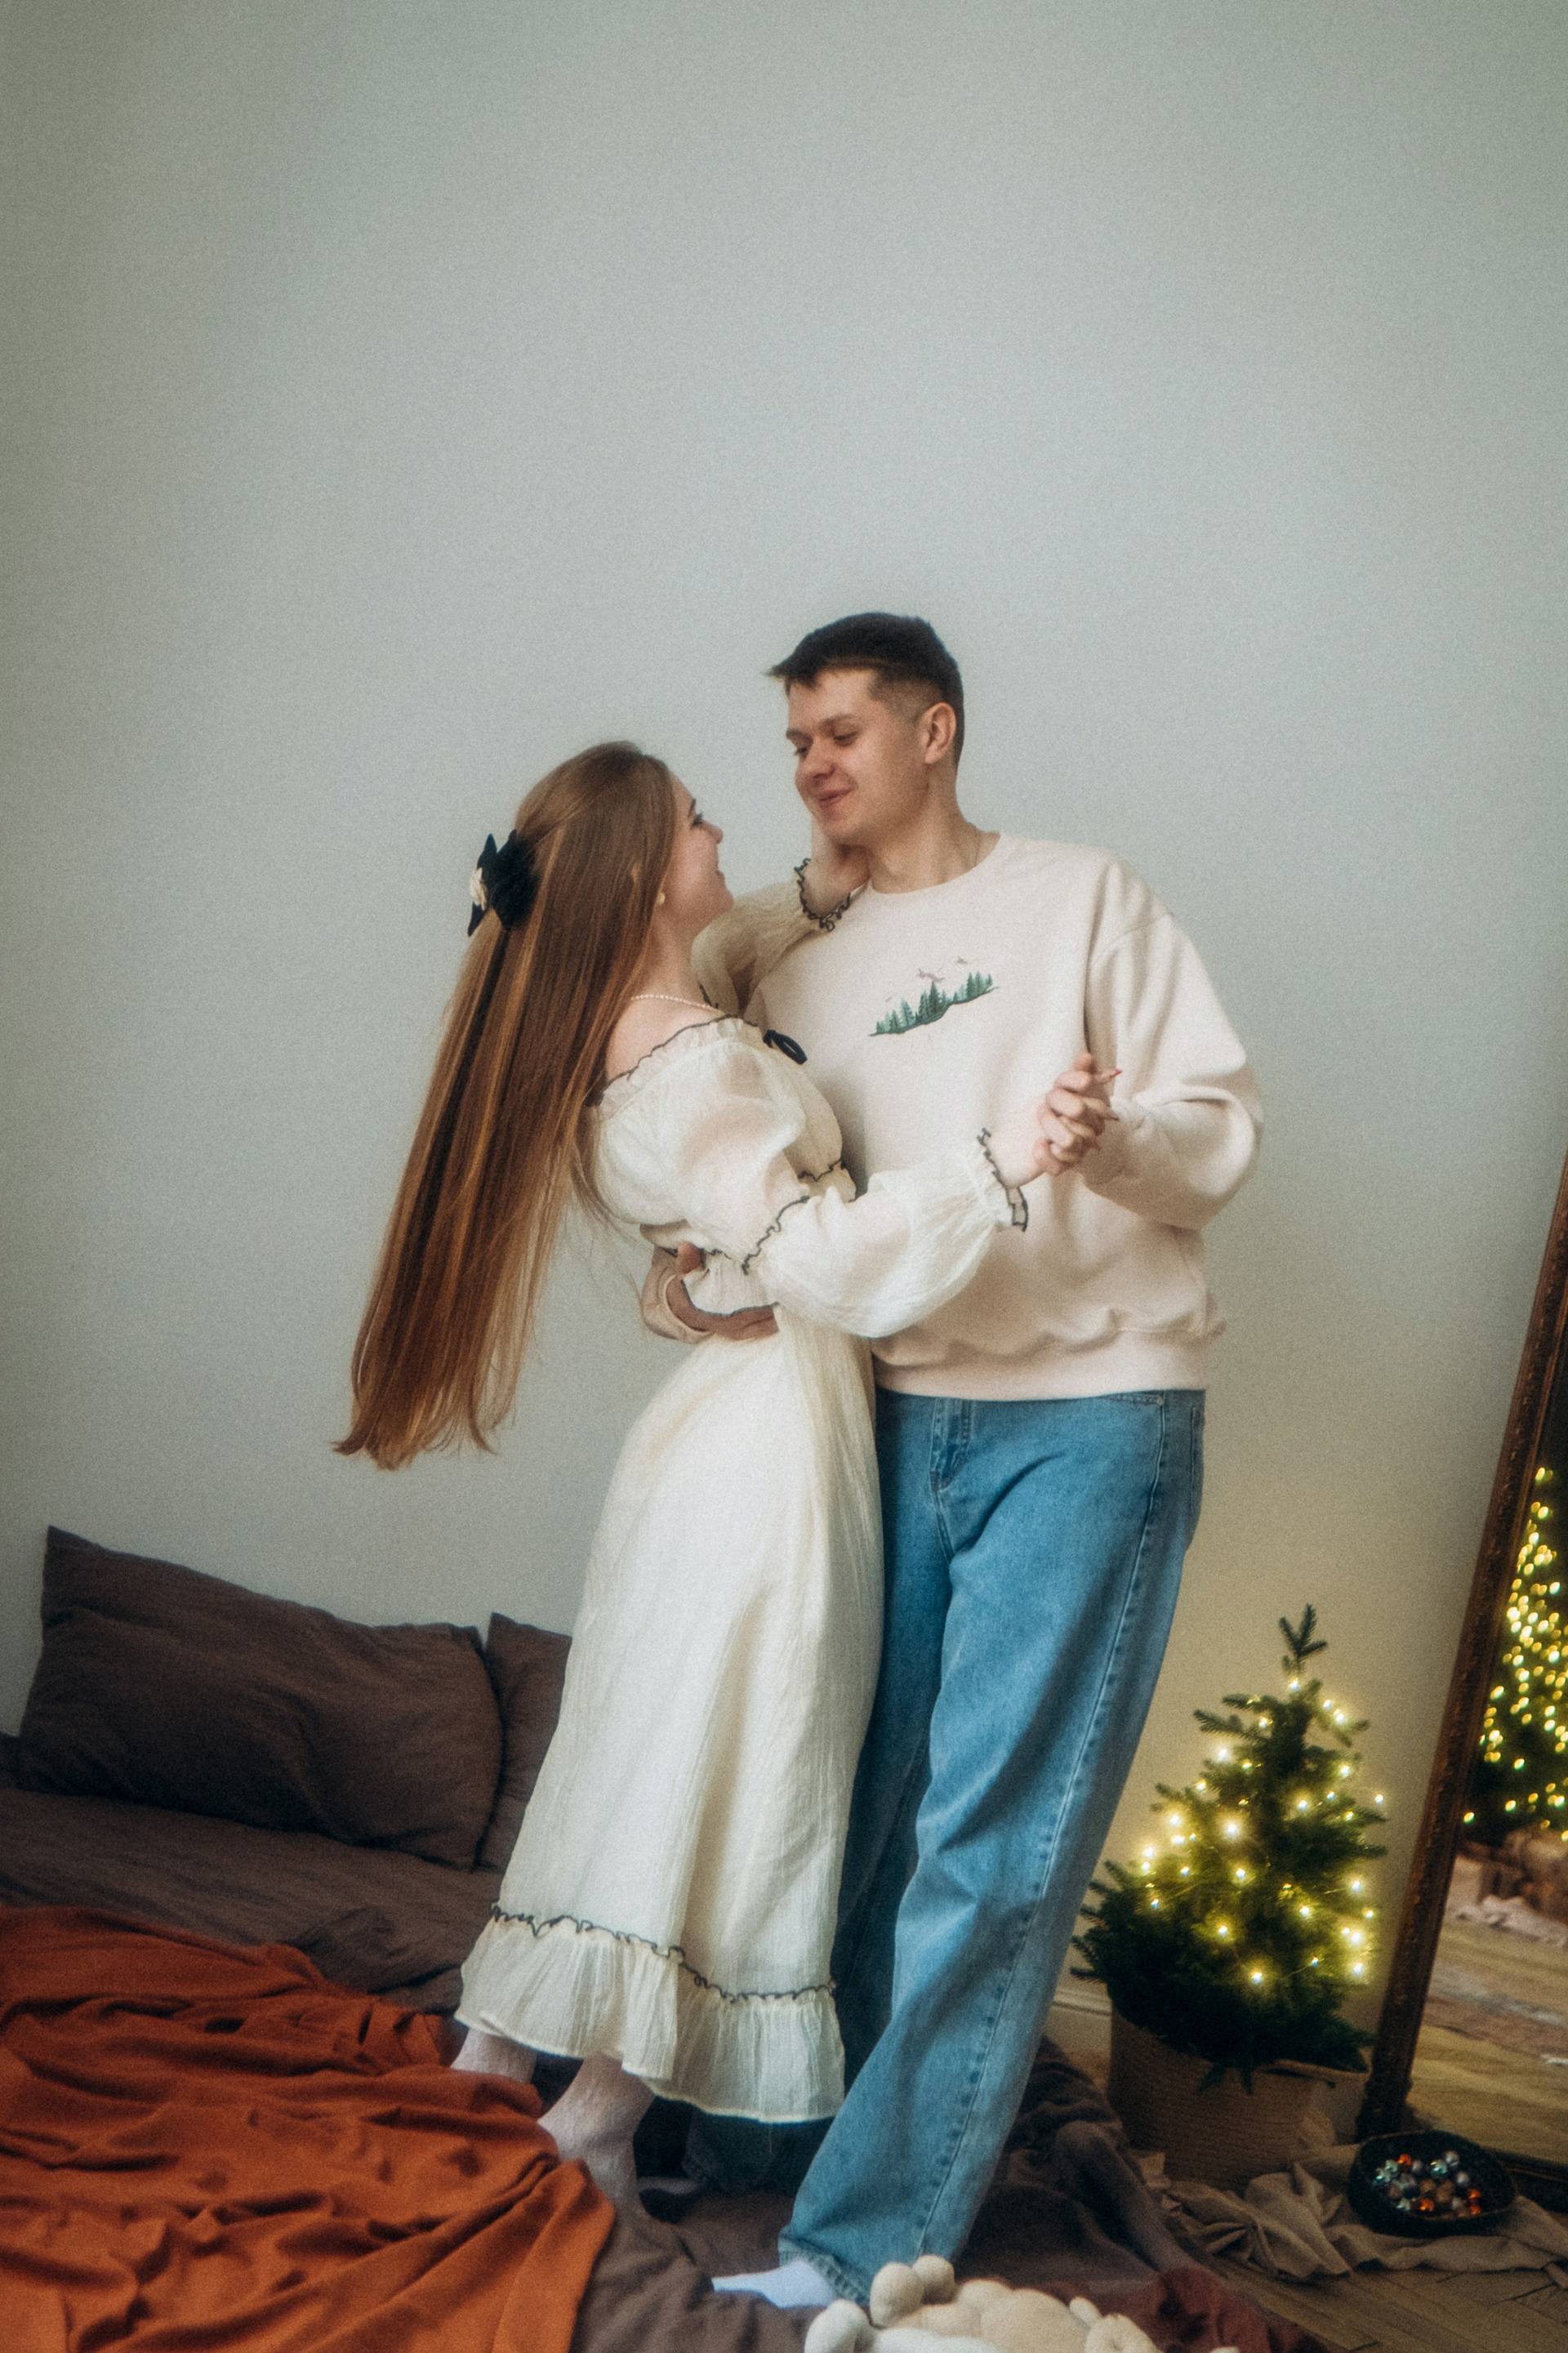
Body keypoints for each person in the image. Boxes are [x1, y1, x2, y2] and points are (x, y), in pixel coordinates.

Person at [336, 739, 1094, 2208]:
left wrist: (819, 887)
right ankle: (599, 2116)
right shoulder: (688, 1055)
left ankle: (497, 2054)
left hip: (716, 1436)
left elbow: (721, 1194)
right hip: (770, 1452)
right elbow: (821, 1259)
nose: (718, 829)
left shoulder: (631, 1027)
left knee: (642, 1751)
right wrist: (998, 1164)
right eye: (694, 821)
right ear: (637, 873)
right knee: (736, 1765)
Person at [641, 614, 1262, 2308]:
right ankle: (770, 2145)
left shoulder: (1085, 897)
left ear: (936, 730)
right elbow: (709, 1135)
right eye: (794, 742)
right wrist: (686, 1275)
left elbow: (1217, 1138)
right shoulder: (788, 954)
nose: (811, 766)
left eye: (841, 732)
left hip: (1093, 1417)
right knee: (844, 1809)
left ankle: (864, 2243)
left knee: (993, 1842)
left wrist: (1106, 1136)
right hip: (887, 1412)